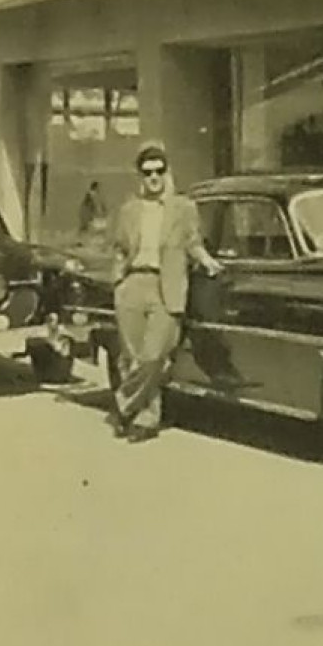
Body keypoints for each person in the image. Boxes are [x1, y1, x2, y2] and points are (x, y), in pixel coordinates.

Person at [109, 142, 223, 443]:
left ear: (167, 172)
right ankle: (144, 419)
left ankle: (123, 404)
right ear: (140, 177)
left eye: (159, 171)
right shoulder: (129, 210)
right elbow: (120, 248)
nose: (154, 178)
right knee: (133, 356)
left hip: (166, 286)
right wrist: (118, 281)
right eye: (147, 173)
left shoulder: (183, 208)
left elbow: (192, 242)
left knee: (154, 355)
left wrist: (208, 262)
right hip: (133, 284)